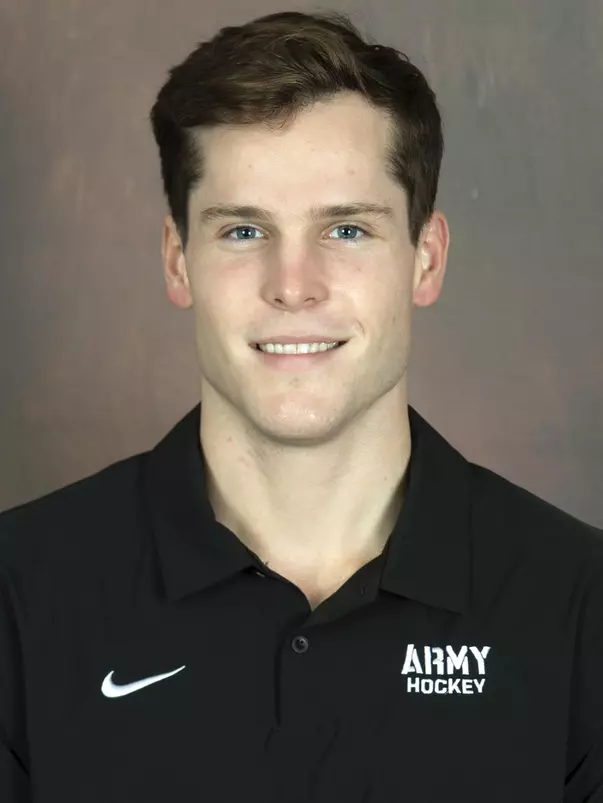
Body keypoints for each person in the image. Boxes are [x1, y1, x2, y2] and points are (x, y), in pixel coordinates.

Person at [1, 9, 602, 802]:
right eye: (244, 229)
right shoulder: (19, 592)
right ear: (178, 262)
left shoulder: (579, 604)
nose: (293, 282)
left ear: (425, 258)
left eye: (347, 229)